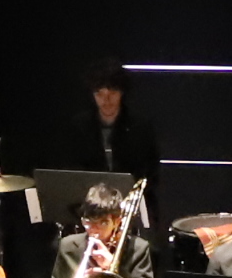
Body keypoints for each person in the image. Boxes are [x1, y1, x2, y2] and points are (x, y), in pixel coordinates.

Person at [59, 62, 163, 201]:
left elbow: (149, 174)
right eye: (99, 94)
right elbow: (71, 172)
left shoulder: (140, 127)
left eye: (112, 93)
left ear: (122, 93)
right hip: (88, 203)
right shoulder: (79, 127)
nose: (106, 100)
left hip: (132, 203)